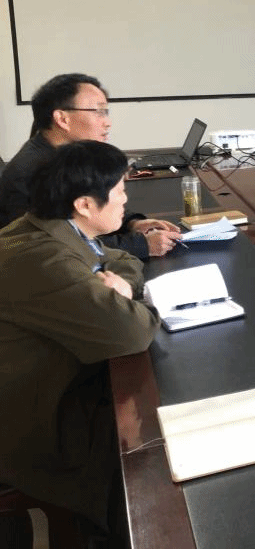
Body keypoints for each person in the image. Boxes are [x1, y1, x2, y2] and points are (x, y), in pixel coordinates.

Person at [0, 140, 160, 544]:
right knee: (150, 445)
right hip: (37, 423)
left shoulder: (51, 227)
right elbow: (132, 333)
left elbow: (120, 260)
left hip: (46, 381)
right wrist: (124, 298)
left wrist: (119, 287)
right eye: (120, 189)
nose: (125, 199)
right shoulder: (45, 259)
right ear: (85, 204)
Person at [0, 73, 180, 256]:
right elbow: (57, 244)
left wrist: (132, 223)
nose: (107, 123)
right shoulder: (31, 173)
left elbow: (94, 202)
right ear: (62, 119)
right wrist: (141, 245)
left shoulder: (67, 158)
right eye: (98, 112)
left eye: (106, 112)